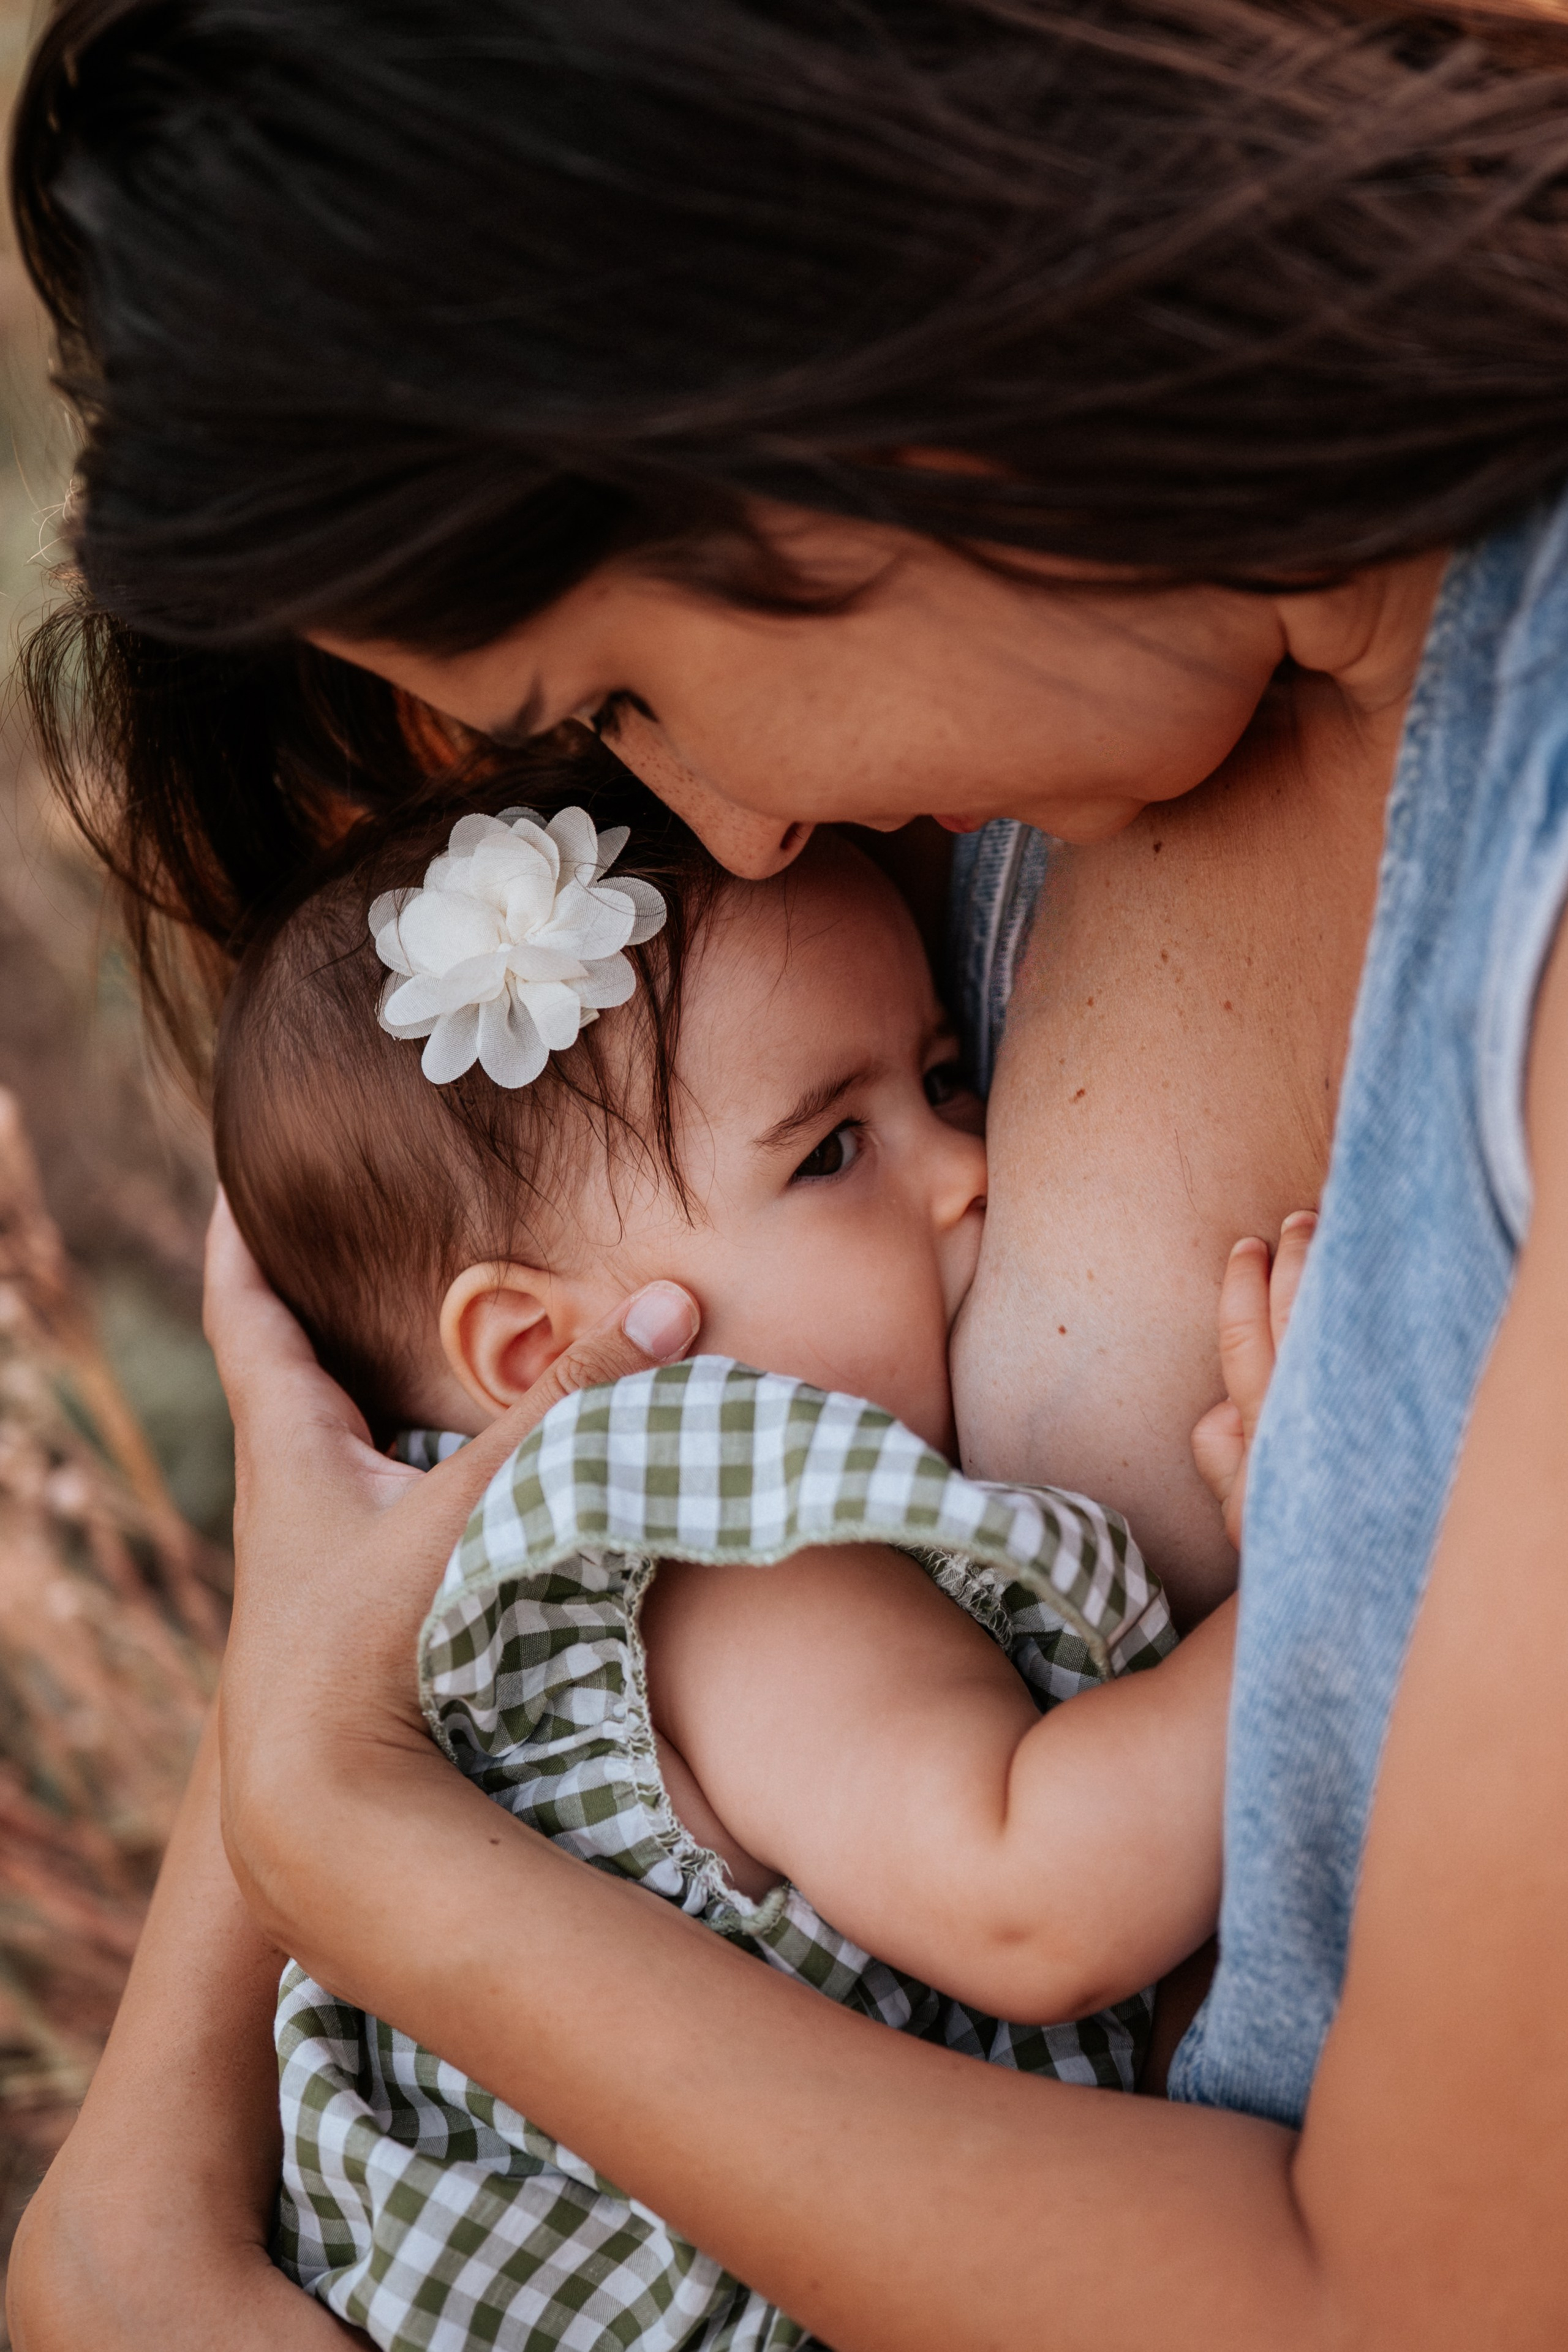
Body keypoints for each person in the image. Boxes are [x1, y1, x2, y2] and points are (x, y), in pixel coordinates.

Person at [12, 3, 1568, 2347]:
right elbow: (474, 1366)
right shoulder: (975, 788)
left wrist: (357, 1848)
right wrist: (139, 2177)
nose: (718, 830)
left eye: (616, 697)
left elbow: (1412, 2313)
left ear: (816, 357)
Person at [219, 785, 1248, 2348]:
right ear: (536, 1351)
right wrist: (1312, 1583)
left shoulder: (487, 1608)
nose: (967, 1170)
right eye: (834, 1149)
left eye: (945, 1078)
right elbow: (1036, 1897)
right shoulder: (719, 1558)